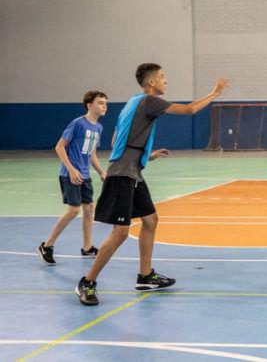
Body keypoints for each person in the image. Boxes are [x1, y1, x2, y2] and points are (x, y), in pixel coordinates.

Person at [75, 63, 229, 306]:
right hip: (123, 173)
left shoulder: (132, 102)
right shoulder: (149, 101)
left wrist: (146, 155)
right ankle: (87, 281)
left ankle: (146, 276)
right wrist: (215, 93)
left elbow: (117, 135)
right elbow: (189, 110)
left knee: (150, 219)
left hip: (132, 170)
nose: (165, 81)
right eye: (162, 77)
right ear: (151, 83)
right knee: (121, 233)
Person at [38, 90, 108, 265]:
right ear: (89, 105)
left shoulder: (98, 127)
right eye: (100, 102)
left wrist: (100, 172)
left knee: (89, 208)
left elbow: (91, 152)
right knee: (74, 210)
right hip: (70, 174)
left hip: (84, 174)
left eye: (105, 103)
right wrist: (71, 169)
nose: (104, 105)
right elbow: (59, 147)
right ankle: (47, 245)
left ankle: (87, 247)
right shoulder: (78, 123)